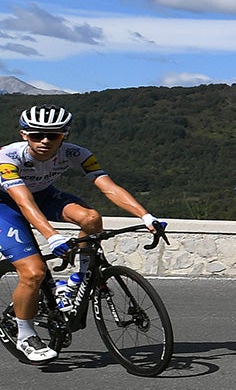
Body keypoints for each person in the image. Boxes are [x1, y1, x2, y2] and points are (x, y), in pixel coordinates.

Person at [2, 105, 167, 362]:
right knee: (33, 272)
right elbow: (24, 203)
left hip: (43, 196)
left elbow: (108, 187)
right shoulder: (8, 158)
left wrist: (146, 216)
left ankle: (76, 280)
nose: (45, 141)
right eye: (36, 135)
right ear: (24, 134)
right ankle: (25, 335)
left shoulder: (76, 153)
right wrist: (52, 236)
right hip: (5, 205)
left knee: (91, 218)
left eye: (53, 135)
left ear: (64, 135)